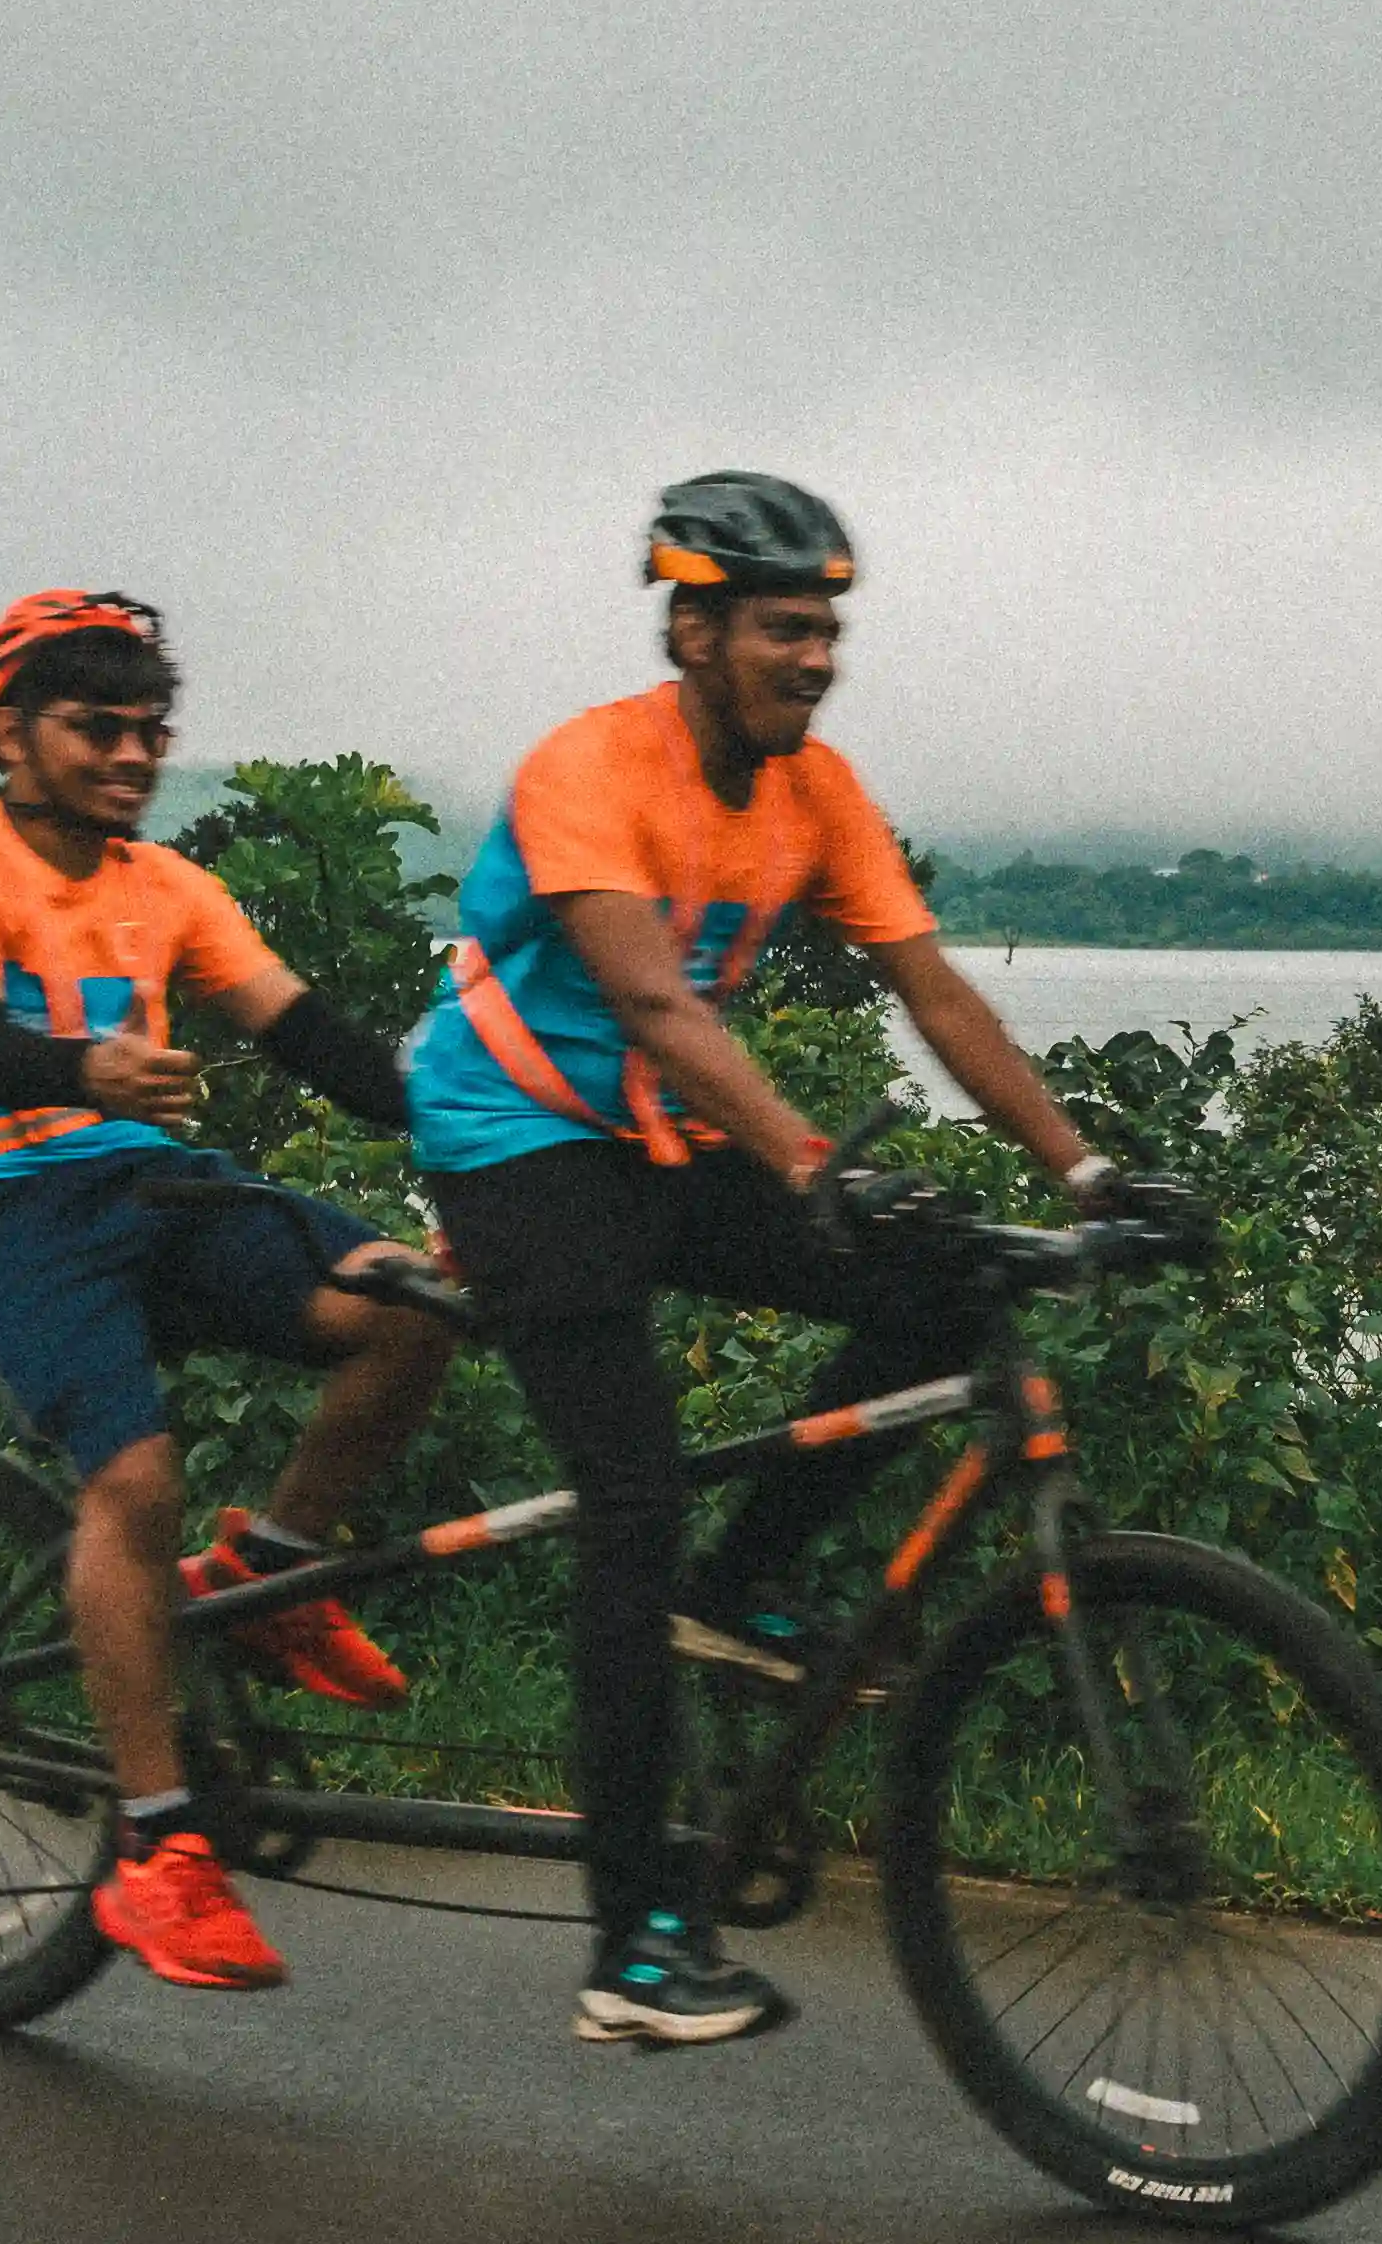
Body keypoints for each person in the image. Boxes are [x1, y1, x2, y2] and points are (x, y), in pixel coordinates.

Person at [411, 473, 1127, 2050]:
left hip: (664, 1145)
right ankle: (630, 1941)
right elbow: (660, 1007)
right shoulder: (586, 770)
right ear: (692, 627)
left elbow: (938, 996)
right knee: (633, 1494)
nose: (816, 659)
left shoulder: (814, 792)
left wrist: (1087, 1168)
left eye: (828, 631)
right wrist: (815, 1168)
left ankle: (745, 1587)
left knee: (940, 1290)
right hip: (515, 1145)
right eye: (784, 630)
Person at [0, 587, 459, 1994]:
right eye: (97, 729)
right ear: (9, 732)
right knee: (134, 1482)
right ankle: (158, 1849)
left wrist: (479, 1135)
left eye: (151, 730)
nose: (133, 755)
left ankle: (269, 1579)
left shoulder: (168, 886)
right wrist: (79, 1070)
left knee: (413, 1304)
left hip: (143, 1176)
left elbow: (314, 1039)